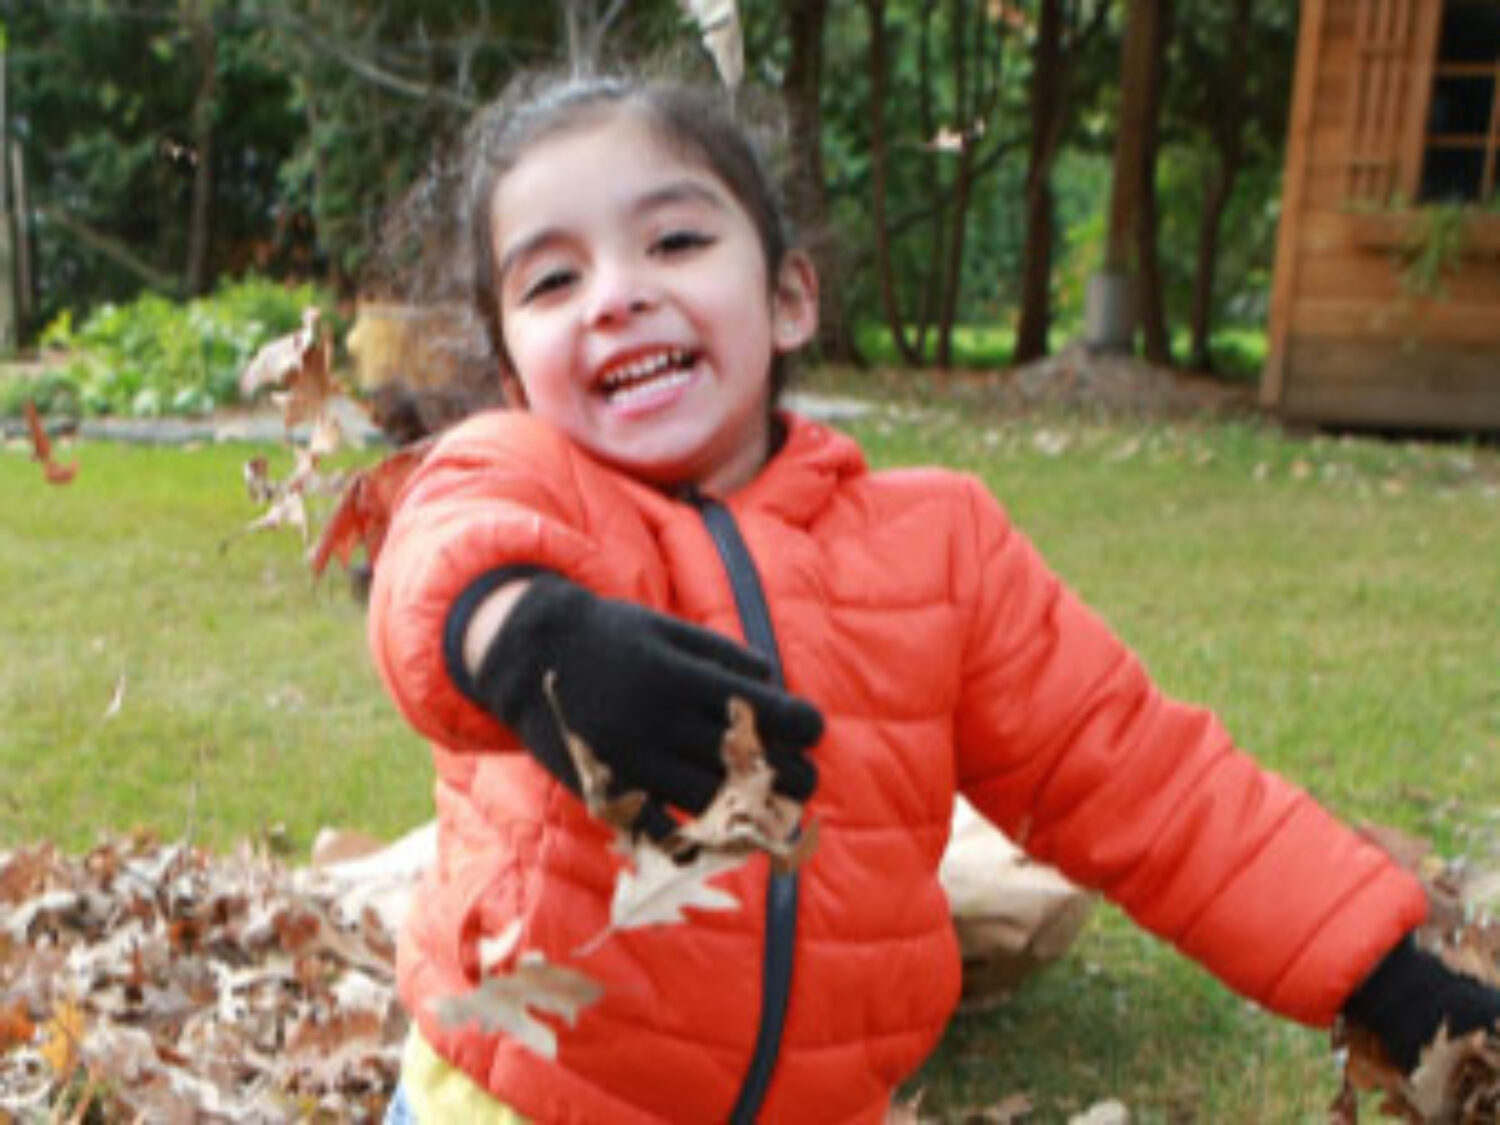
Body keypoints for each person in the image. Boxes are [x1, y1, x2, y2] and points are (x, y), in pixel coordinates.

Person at [366, 70, 1499, 1123]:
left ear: (790, 296)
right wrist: (528, 637)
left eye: (674, 239)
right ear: (514, 376)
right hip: (523, 1100)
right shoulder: (522, 478)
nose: (617, 295)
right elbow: (442, 563)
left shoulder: (938, 544)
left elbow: (1146, 782)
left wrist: (1392, 979)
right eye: (554, 279)